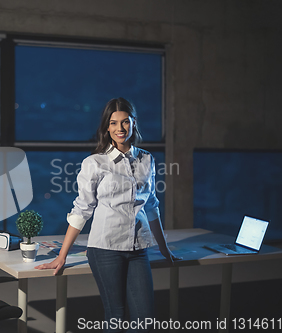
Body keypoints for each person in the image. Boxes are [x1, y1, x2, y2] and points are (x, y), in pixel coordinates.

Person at [35, 97, 180, 333]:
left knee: (145, 319)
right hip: (105, 248)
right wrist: (62, 255)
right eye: (113, 123)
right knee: (116, 315)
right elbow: (82, 210)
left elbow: (151, 205)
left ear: (133, 124)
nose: (119, 128)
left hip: (138, 248)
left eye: (125, 122)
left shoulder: (146, 159)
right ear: (106, 127)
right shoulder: (94, 163)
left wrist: (163, 248)